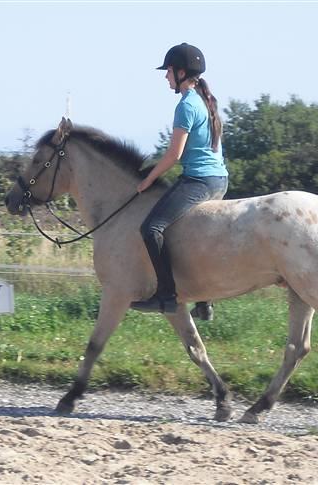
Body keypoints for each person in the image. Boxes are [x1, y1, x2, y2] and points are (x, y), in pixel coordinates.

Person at [130, 43, 228, 314]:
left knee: (151, 229)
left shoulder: (186, 105)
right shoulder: (205, 100)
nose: (166, 77)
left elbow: (174, 154)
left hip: (200, 181)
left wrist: (148, 180)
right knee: (189, 233)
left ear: (182, 73)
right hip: (219, 178)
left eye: (169, 71)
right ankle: (204, 300)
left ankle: (166, 295)